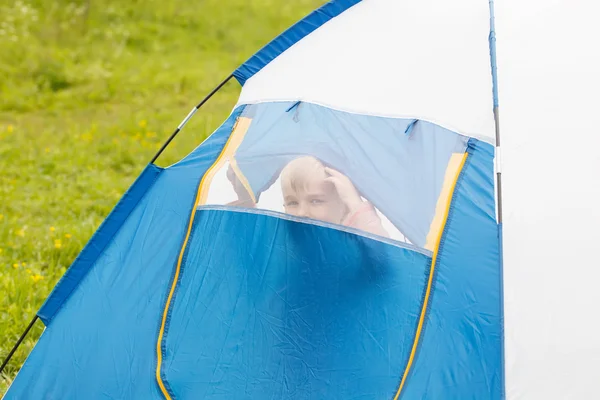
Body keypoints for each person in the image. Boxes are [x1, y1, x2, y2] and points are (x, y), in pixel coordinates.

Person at [279, 156, 389, 238]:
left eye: (315, 201)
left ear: (342, 206)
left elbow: (383, 257)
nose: (301, 213)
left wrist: (355, 204)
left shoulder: (352, 244)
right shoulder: (280, 246)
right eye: (292, 203)